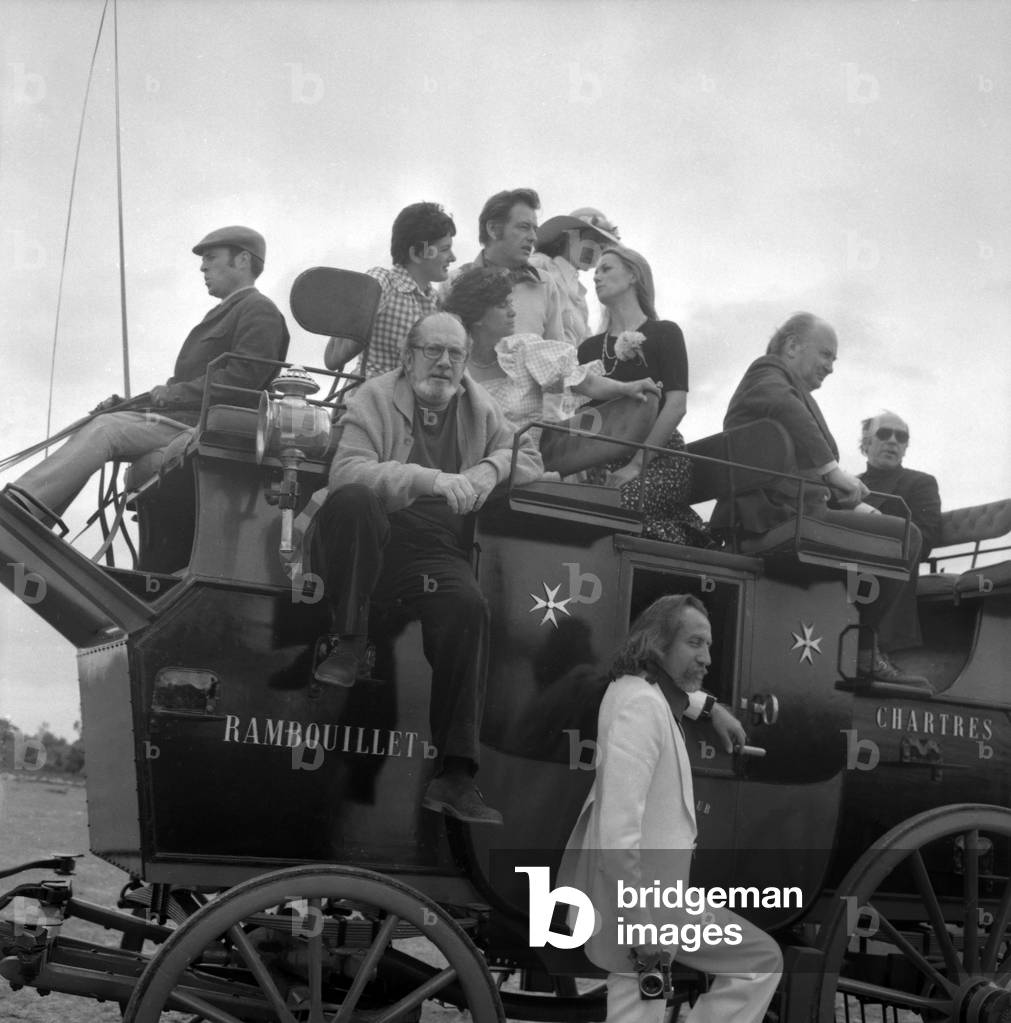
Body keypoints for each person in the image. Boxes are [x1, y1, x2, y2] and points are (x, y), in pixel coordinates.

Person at [308, 311, 543, 825]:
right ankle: (349, 641)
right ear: (408, 356)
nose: (444, 362)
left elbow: (528, 460)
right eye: (433, 351)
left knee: (468, 605)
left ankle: (455, 776)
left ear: (465, 362)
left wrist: (488, 467)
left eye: (455, 354)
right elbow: (347, 470)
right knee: (352, 500)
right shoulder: (373, 395)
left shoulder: (480, 408)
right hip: (374, 534)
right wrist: (428, 479)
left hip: (432, 547)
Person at [559, 595, 782, 1023]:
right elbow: (618, 832)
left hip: (663, 901)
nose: (708, 658)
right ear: (658, 645)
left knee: (760, 960)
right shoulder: (640, 707)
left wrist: (713, 709)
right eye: (695, 643)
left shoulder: (642, 690)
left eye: (710, 646)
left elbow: (681, 697)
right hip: (638, 905)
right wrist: (640, 925)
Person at [712, 313, 929, 687]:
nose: (830, 367)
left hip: (783, 513)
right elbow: (789, 412)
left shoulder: (787, 393)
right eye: (826, 355)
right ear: (793, 345)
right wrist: (833, 471)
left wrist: (859, 506)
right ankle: (864, 649)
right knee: (905, 538)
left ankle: (850, 639)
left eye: (834, 360)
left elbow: (804, 475)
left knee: (893, 533)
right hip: (773, 518)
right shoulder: (768, 375)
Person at [12, 226, 289, 517]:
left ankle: (20, 510)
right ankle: (36, 521)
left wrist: (172, 393)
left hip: (209, 425)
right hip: (186, 419)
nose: (202, 266)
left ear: (243, 260)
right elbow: (188, 386)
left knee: (105, 431)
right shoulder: (227, 311)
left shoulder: (259, 310)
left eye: (211, 257)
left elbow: (242, 380)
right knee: (98, 422)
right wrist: (130, 403)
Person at [578, 245, 706, 545]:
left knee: (615, 509)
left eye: (606, 269)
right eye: (595, 271)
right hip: (602, 458)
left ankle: (682, 539)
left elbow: (676, 405)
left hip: (658, 455)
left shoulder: (665, 333)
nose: (596, 277)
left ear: (633, 275)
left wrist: (636, 465)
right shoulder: (588, 349)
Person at [441, 265, 659, 438]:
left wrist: (626, 387)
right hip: (483, 472)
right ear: (478, 317)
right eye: (502, 306)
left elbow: (587, 382)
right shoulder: (455, 371)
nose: (512, 312)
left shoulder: (524, 350)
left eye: (511, 303)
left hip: (536, 466)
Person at [324, 201, 456, 377]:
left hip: (414, 400)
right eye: (445, 249)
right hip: (372, 398)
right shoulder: (384, 282)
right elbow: (333, 357)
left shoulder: (437, 303)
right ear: (417, 253)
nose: (453, 257)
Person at [858, 410, 942, 651]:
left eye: (901, 437)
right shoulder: (849, 486)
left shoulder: (919, 483)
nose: (893, 441)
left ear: (905, 447)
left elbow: (923, 541)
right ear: (866, 443)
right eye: (884, 434)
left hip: (890, 571)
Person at [453, 188, 565, 341]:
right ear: (493, 229)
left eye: (534, 229)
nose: (533, 237)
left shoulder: (545, 285)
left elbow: (558, 354)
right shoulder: (455, 281)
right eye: (524, 227)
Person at [531, 207, 622, 346]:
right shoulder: (540, 265)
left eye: (602, 246)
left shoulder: (580, 296)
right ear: (571, 235)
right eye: (593, 240)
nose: (597, 250)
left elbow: (585, 345)